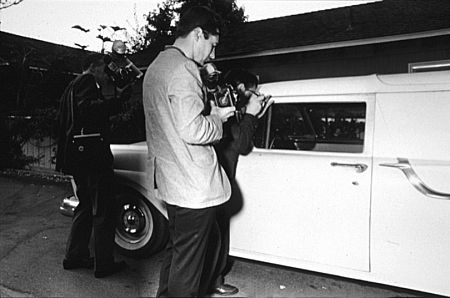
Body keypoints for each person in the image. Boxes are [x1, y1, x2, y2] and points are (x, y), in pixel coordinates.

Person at [142, 6, 252, 297]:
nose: (212, 55)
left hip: (172, 182)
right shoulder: (184, 69)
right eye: (212, 45)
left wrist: (210, 111)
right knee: (190, 267)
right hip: (192, 186)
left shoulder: (157, 66)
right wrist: (218, 118)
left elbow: (172, 122)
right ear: (197, 34)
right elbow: (194, 130)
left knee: (179, 254)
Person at [55, 53, 129, 278]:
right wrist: (118, 101)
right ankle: (104, 263)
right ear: (95, 67)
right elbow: (89, 110)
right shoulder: (87, 81)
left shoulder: (71, 86)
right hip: (92, 158)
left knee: (85, 206)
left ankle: (74, 256)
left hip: (77, 157)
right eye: (103, 69)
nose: (105, 74)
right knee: (102, 209)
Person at [210, 68, 272, 295]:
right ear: (240, 90)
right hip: (219, 181)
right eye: (254, 92)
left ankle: (214, 277)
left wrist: (251, 115)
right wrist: (251, 116)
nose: (257, 96)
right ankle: (214, 279)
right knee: (216, 231)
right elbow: (243, 144)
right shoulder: (225, 115)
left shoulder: (233, 113)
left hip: (222, 180)